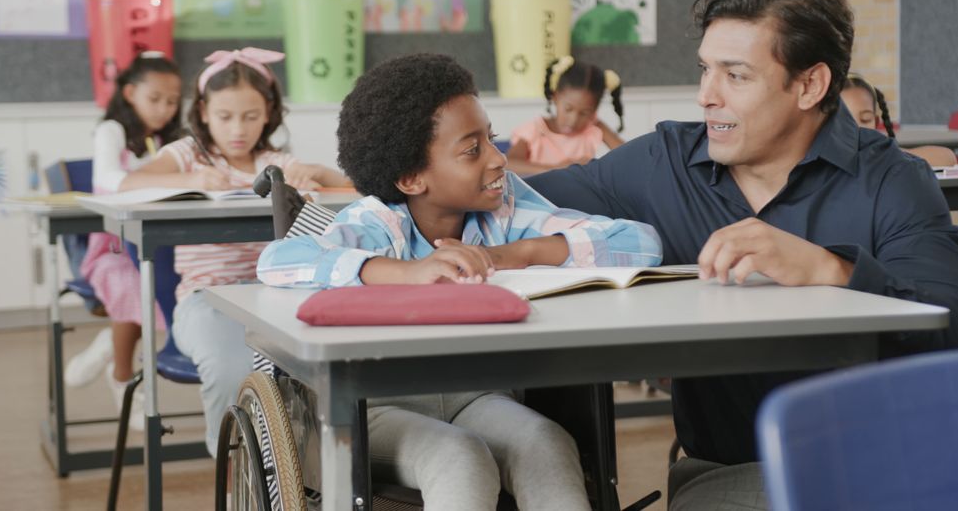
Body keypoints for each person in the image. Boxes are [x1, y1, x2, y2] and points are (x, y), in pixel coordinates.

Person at [525, 0, 958, 510]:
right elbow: (519, 203)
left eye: (735, 75)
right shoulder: (664, 164)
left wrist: (833, 271)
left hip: (881, 463)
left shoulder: (890, 179)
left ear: (810, 85)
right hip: (730, 474)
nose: (706, 96)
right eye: (705, 70)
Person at [257, 53, 662, 510]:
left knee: (546, 443)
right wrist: (404, 272)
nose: (498, 158)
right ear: (411, 178)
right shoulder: (378, 221)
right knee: (460, 457)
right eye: (473, 150)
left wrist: (514, 253)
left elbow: (638, 242)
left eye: (490, 138)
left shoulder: (503, 207)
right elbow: (278, 259)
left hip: (476, 394)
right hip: (379, 405)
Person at [122, 47, 351, 454]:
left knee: (321, 362)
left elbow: (356, 191)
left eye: (250, 116)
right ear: (205, 112)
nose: (237, 129)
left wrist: (317, 172)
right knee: (231, 365)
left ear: (269, 113)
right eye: (225, 117)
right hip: (207, 299)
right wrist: (193, 177)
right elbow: (130, 184)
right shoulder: (188, 153)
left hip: (271, 296)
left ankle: (295, 471)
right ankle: (234, 470)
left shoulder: (273, 161)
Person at [63, 52, 182, 430]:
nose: (164, 109)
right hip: (112, 248)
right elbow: (109, 179)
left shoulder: (173, 138)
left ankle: (108, 344)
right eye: (155, 99)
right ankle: (123, 378)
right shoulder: (111, 131)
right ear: (130, 93)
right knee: (136, 285)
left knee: (175, 283)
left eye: (172, 101)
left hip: (163, 243)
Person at [505, 56, 625, 175]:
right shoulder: (535, 131)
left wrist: (599, 124)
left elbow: (629, 156)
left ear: (595, 111)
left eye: (584, 113)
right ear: (555, 97)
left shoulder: (592, 128)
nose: (573, 120)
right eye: (568, 109)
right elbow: (508, 164)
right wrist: (558, 170)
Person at [841, 73, 958, 166]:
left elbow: (948, 157)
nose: (858, 127)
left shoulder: (882, 153)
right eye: (846, 119)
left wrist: (888, 154)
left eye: (866, 119)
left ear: (876, 123)